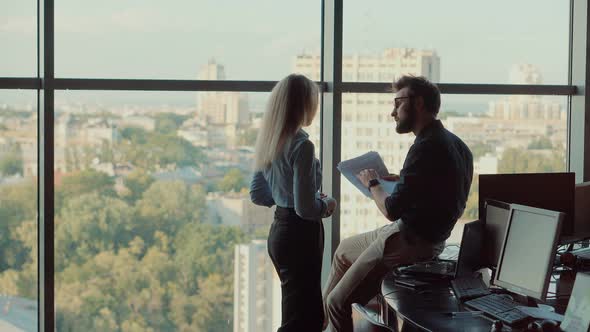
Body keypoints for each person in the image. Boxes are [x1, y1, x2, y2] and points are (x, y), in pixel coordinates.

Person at [323, 75, 473, 332]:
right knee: (343, 251)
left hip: (408, 240)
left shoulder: (426, 147)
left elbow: (391, 210)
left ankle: (328, 315)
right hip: (429, 238)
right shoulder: (455, 145)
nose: (393, 112)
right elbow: (436, 191)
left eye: (398, 103)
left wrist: (373, 184)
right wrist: (402, 180)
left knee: (337, 302)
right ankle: (317, 324)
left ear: (419, 104)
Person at [250, 73, 337, 332]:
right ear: (304, 105)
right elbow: (305, 209)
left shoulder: (269, 140)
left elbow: (257, 194)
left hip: (279, 232)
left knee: (296, 312)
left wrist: (283, 195)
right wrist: (327, 204)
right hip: (301, 235)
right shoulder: (302, 146)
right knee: (304, 317)